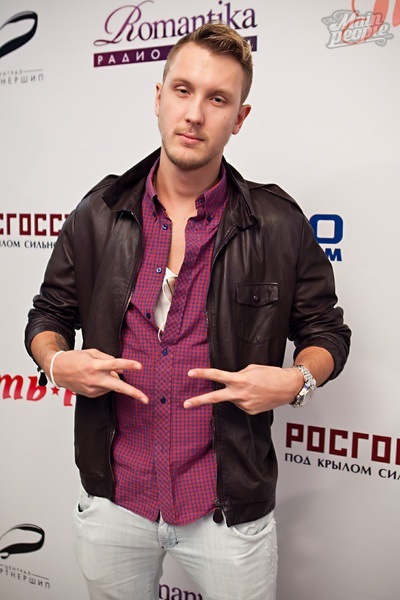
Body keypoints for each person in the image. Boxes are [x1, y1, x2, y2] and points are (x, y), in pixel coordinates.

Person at [25, 21, 351, 600]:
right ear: (159, 97)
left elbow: (326, 331)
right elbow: (47, 315)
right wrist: (56, 363)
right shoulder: (97, 213)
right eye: (183, 90)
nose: (195, 114)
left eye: (217, 99)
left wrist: (296, 380)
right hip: (113, 501)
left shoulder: (277, 224)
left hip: (228, 509)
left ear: (239, 118)